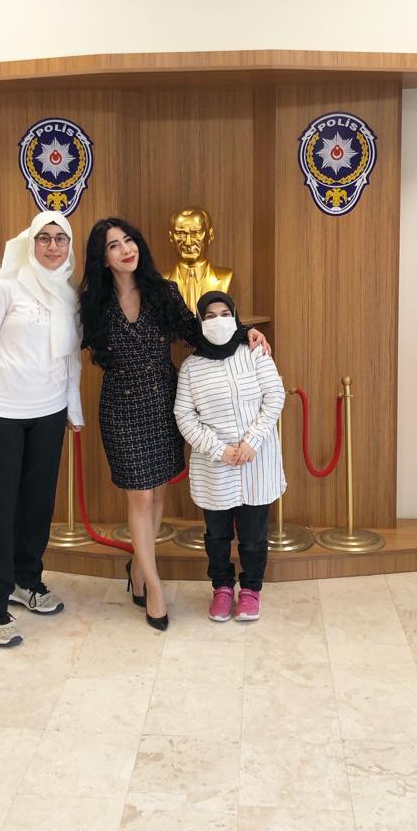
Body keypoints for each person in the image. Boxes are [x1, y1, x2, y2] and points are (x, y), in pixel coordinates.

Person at [79, 218, 269, 631]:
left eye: (129, 240)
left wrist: (245, 331)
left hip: (163, 404)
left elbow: (196, 332)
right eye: (114, 245)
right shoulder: (93, 302)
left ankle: (137, 570)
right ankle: (154, 586)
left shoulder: (162, 291)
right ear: (103, 258)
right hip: (121, 408)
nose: (126, 249)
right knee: (140, 497)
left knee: (158, 493)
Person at [0, 211, 84, 647]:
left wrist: (72, 407)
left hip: (49, 414)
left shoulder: (68, 295)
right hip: (3, 415)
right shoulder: (5, 287)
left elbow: (70, 359)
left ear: (69, 246)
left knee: (37, 505)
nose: (53, 246)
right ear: (30, 243)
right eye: (44, 238)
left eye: (61, 239)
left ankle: (25, 580)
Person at [174, 291, 286, 622]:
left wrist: (252, 441)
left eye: (225, 314)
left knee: (253, 536)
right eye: (209, 316)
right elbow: (184, 416)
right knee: (217, 536)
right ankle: (222, 588)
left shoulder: (255, 353)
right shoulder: (191, 368)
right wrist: (219, 449)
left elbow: (274, 396)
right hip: (215, 466)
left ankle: (251, 589)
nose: (218, 321)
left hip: (256, 460)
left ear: (235, 317)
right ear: (200, 322)